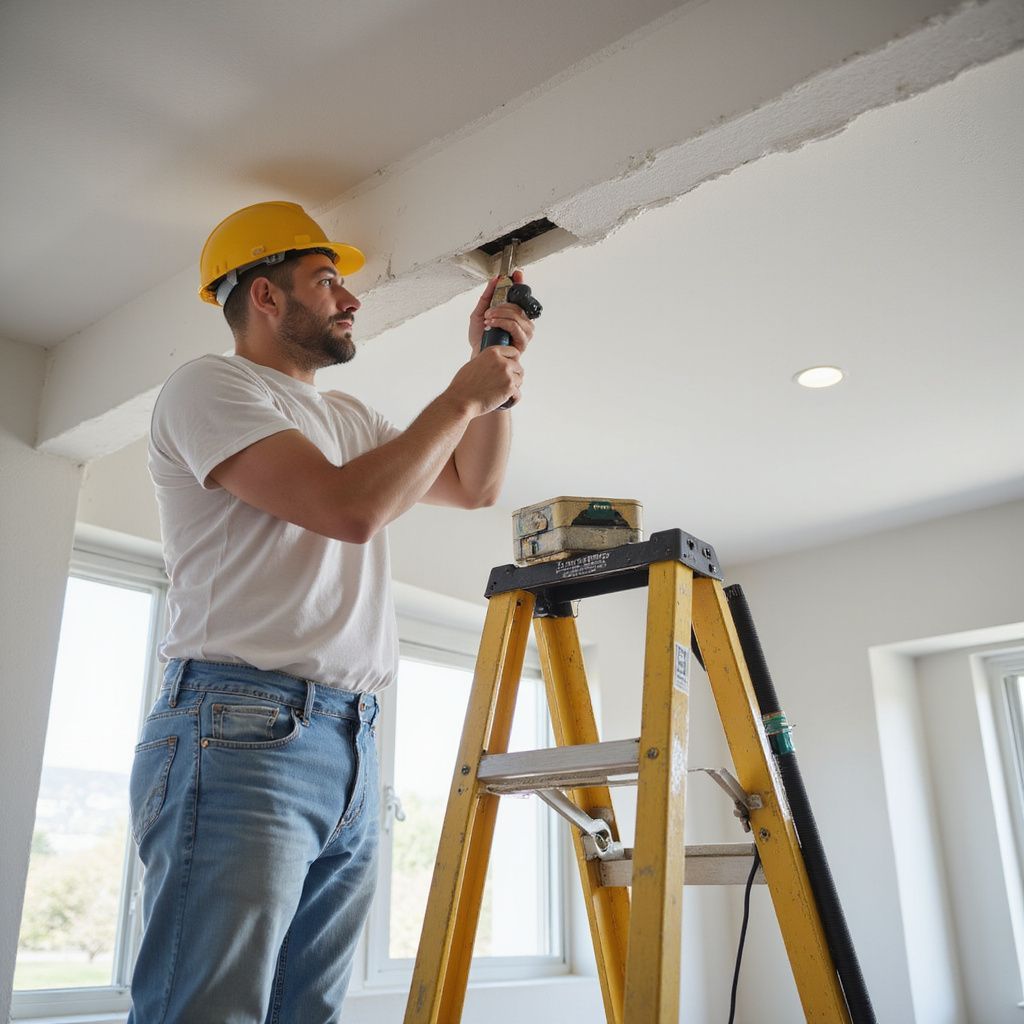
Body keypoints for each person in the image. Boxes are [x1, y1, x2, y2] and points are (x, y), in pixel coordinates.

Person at [126, 200, 535, 1024]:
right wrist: (459, 399)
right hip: (240, 725)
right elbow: (349, 508)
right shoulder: (212, 386)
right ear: (265, 297)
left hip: (351, 735)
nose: (350, 300)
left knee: (302, 1010)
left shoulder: (349, 419)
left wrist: (493, 368)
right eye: (327, 281)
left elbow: (473, 484)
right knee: (208, 1009)